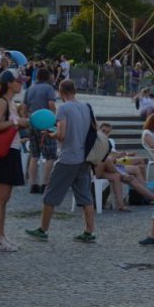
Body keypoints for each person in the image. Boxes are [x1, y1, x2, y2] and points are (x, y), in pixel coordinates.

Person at [25, 79, 98, 244]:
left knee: (50, 195)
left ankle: (43, 230)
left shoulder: (63, 108)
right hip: (84, 158)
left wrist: (50, 134)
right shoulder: (86, 107)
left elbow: (62, 135)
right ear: (75, 91)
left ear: (60, 91)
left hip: (68, 158)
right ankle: (89, 231)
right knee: (85, 196)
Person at [0, 69, 30, 252]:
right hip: (2, 153)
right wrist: (17, 123)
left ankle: (1, 236)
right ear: (9, 83)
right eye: (19, 81)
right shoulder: (1, 102)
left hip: (11, 151)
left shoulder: (11, 103)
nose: (22, 84)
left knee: (4, 198)